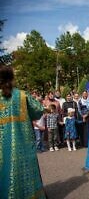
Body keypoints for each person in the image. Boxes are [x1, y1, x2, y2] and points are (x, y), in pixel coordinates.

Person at [0, 65, 46, 198]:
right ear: (12, 77)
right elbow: (38, 110)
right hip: (23, 145)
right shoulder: (21, 95)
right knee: (25, 174)